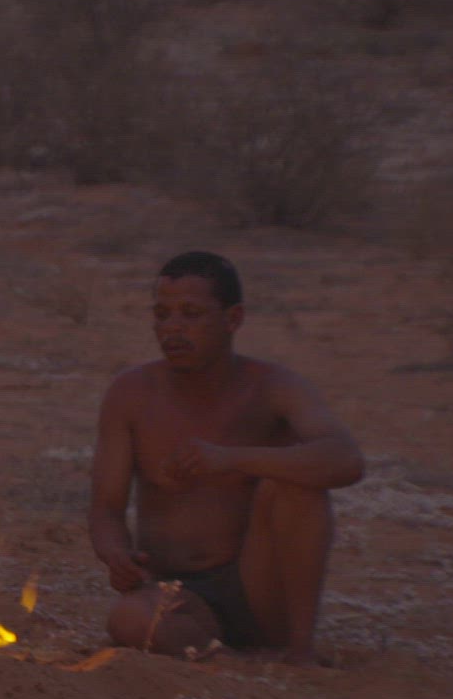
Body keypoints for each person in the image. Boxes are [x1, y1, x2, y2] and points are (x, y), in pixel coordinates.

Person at [90, 251, 364, 666]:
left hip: (261, 590)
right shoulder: (130, 394)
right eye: (162, 315)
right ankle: (231, 664)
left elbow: (345, 460)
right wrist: (116, 555)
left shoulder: (273, 386)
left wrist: (233, 459)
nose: (173, 328)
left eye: (191, 314)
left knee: (294, 482)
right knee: (130, 619)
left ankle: (299, 648)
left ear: (233, 319)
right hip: (179, 595)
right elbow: (106, 508)